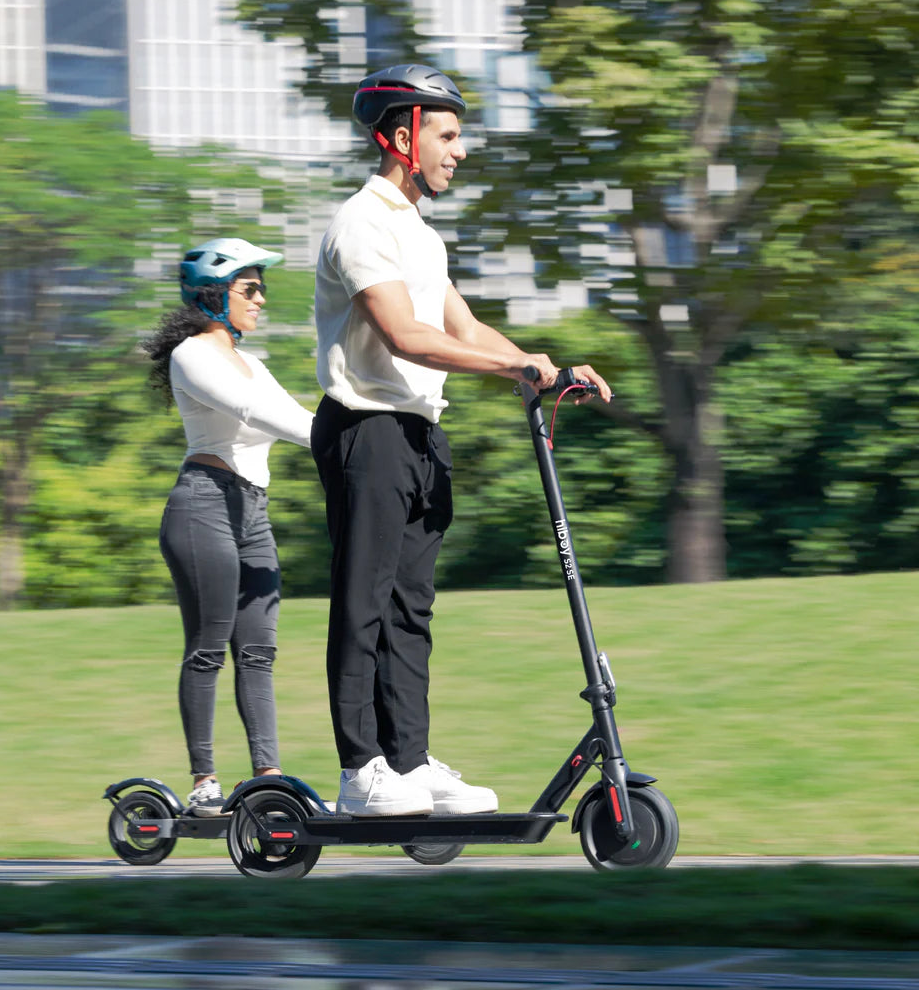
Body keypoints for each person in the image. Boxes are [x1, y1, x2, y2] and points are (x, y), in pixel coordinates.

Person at [311, 63, 613, 817]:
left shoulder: (419, 235)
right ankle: (362, 770)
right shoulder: (362, 224)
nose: (460, 150)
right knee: (364, 604)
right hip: (366, 428)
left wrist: (544, 370)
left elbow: (464, 329)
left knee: (411, 609)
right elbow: (405, 335)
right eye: (447, 135)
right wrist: (515, 365)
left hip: (419, 433)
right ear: (402, 136)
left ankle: (407, 764)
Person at [141, 238, 315, 816]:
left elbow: (300, 417)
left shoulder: (255, 363)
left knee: (260, 652)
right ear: (214, 296)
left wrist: (367, 438)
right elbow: (255, 412)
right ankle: (204, 781)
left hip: (254, 514)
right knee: (209, 648)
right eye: (250, 288)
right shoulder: (192, 354)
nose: (262, 298)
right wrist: (339, 441)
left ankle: (268, 776)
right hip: (203, 507)